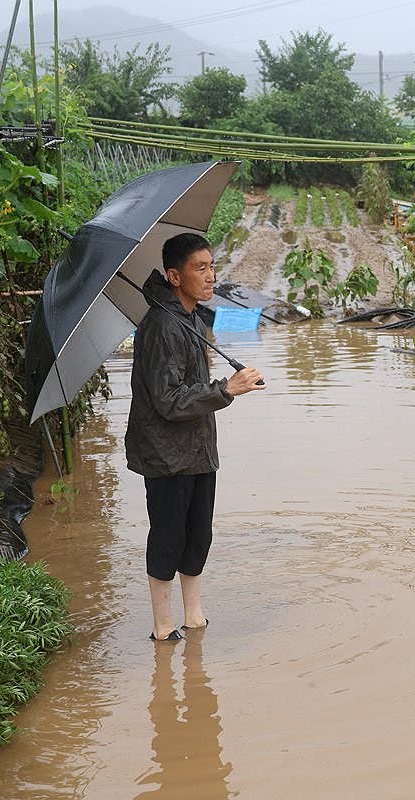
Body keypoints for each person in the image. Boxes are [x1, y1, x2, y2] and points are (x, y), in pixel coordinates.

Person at [125, 232, 265, 642]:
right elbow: (167, 401)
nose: (210, 276)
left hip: (198, 449)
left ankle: (194, 616)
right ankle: (163, 626)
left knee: (198, 534)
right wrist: (226, 390)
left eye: (211, 266)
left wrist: (226, 387)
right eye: (199, 268)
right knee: (169, 535)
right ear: (174, 276)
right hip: (167, 456)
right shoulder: (160, 327)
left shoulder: (190, 319)